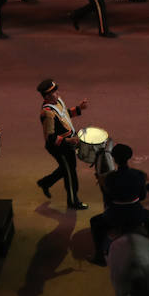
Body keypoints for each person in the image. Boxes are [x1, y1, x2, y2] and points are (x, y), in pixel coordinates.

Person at [89, 142, 149, 266]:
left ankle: (99, 256)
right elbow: (143, 196)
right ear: (129, 157)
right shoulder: (139, 175)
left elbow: (107, 201)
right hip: (136, 214)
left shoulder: (109, 178)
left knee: (94, 223)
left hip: (115, 216)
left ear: (114, 158)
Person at [36, 78, 88, 210]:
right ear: (47, 96)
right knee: (70, 172)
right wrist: (68, 141)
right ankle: (72, 200)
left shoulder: (58, 101)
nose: (57, 93)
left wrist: (78, 108)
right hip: (59, 147)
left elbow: (65, 115)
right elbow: (50, 138)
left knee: (67, 168)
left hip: (67, 144)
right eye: (53, 92)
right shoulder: (47, 113)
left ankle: (45, 183)